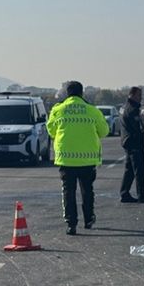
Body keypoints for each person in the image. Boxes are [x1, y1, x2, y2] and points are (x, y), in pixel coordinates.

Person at [46, 81, 109, 235]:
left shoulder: (58, 110)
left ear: (67, 93)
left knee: (68, 192)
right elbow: (104, 131)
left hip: (66, 159)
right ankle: (89, 219)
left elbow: (51, 131)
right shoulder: (92, 111)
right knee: (87, 190)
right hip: (87, 159)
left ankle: (71, 224)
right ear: (81, 93)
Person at [119, 86, 144, 203]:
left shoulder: (124, 107)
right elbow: (138, 127)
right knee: (140, 170)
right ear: (132, 95)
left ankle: (124, 192)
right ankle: (141, 194)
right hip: (134, 142)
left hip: (127, 141)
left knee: (129, 170)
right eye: (139, 95)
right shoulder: (132, 109)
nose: (141, 98)